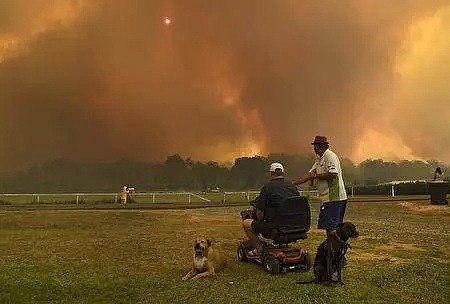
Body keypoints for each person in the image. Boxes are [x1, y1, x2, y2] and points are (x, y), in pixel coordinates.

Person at [293, 136, 347, 243]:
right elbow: (310, 174)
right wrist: (293, 184)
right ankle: (332, 248)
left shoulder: (330, 156)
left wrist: (316, 177)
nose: (314, 149)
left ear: (320, 146)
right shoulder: (319, 158)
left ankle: (336, 249)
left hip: (334, 197)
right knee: (328, 227)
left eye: (315, 146)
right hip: (327, 198)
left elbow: (333, 174)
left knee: (332, 228)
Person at [242, 162, 300, 258]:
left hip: (275, 226)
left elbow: (260, 213)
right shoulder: (292, 186)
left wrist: (259, 221)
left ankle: (258, 249)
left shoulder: (267, 188)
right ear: (283, 173)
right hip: (293, 225)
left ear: (271, 173)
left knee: (247, 224)